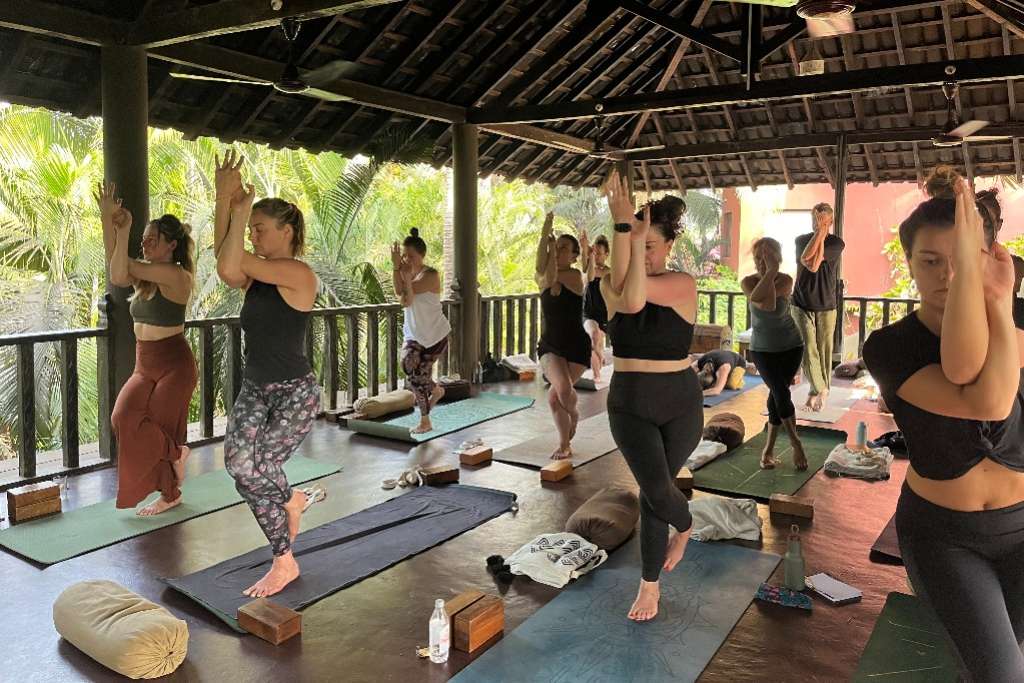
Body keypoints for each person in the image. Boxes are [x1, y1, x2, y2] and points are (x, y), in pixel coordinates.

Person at [862, 167, 1023, 682]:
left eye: (961, 263)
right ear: (908, 265)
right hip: (944, 535)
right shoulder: (889, 347)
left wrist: (1000, 305)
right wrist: (997, 301)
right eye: (929, 262)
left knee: (997, 661)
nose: (946, 276)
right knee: (1000, 673)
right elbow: (991, 403)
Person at [214, 150, 323, 598]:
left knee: (259, 467)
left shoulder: (298, 273)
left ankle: (283, 561)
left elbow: (235, 256)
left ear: (286, 231)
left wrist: (236, 210)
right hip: (256, 388)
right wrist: (225, 200)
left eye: (260, 228)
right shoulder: (255, 276)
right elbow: (226, 265)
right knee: (239, 465)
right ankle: (292, 500)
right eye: (251, 228)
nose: (254, 235)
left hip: (295, 393)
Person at [600, 171, 701, 622]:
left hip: (680, 402)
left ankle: (649, 586)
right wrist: (624, 227)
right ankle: (686, 523)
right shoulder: (610, 287)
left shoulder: (683, 285)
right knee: (657, 489)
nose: (645, 254)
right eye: (638, 246)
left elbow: (641, 296)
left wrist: (630, 231)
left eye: (651, 246)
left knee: (653, 493)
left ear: (669, 248)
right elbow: (631, 297)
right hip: (629, 402)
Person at [98, 182, 197, 517]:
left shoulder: (176, 275)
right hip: (145, 364)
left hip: (174, 364)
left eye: (152, 239)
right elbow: (117, 268)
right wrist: (108, 219)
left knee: (157, 423)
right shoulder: (146, 276)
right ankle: (176, 453)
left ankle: (170, 494)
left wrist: (120, 228)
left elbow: (122, 265)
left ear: (172, 245)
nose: (145, 243)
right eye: (144, 239)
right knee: (123, 418)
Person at [742, 238, 808, 470]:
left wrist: (771, 272)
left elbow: (769, 302)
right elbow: (764, 303)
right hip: (762, 349)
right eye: (758, 258)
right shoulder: (748, 282)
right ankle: (795, 443)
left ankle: (768, 451)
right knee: (779, 392)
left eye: (767, 258)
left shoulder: (787, 280)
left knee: (778, 395)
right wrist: (769, 271)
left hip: (791, 345)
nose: (761, 262)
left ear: (777, 259)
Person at [535, 211, 591, 460]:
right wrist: (545, 235)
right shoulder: (544, 276)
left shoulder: (575, 277)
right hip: (550, 345)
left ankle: (566, 440)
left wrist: (548, 247)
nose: (557, 253)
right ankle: (571, 425)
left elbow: (551, 277)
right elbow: (543, 272)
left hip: (576, 344)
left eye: (563, 249)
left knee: (556, 398)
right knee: (562, 389)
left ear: (575, 256)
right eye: (555, 248)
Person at [392, 227, 451, 434]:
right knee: (408, 366)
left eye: (411, 256)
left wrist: (404, 275)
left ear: (422, 255)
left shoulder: (430, 275)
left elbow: (407, 295)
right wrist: (395, 268)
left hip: (435, 335)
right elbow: (400, 293)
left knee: (417, 379)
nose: (407, 260)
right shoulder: (406, 273)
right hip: (414, 334)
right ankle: (436, 390)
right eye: (404, 256)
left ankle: (425, 421)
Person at [792, 203, 844, 412]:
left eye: (822, 220)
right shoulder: (801, 240)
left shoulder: (836, 243)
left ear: (830, 221)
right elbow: (809, 263)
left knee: (823, 351)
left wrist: (823, 233)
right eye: (815, 219)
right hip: (801, 302)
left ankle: (816, 393)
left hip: (826, 304)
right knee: (807, 347)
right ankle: (822, 389)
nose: (817, 222)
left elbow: (816, 261)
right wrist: (819, 231)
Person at [581, 232, 611, 381]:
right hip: (588, 312)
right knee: (594, 336)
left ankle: (597, 372)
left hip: (605, 314)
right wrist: (589, 255)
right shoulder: (588, 266)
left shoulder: (609, 272)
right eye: (595, 253)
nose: (597, 256)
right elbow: (590, 276)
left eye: (600, 254)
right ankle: (598, 365)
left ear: (607, 254)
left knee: (597, 340)